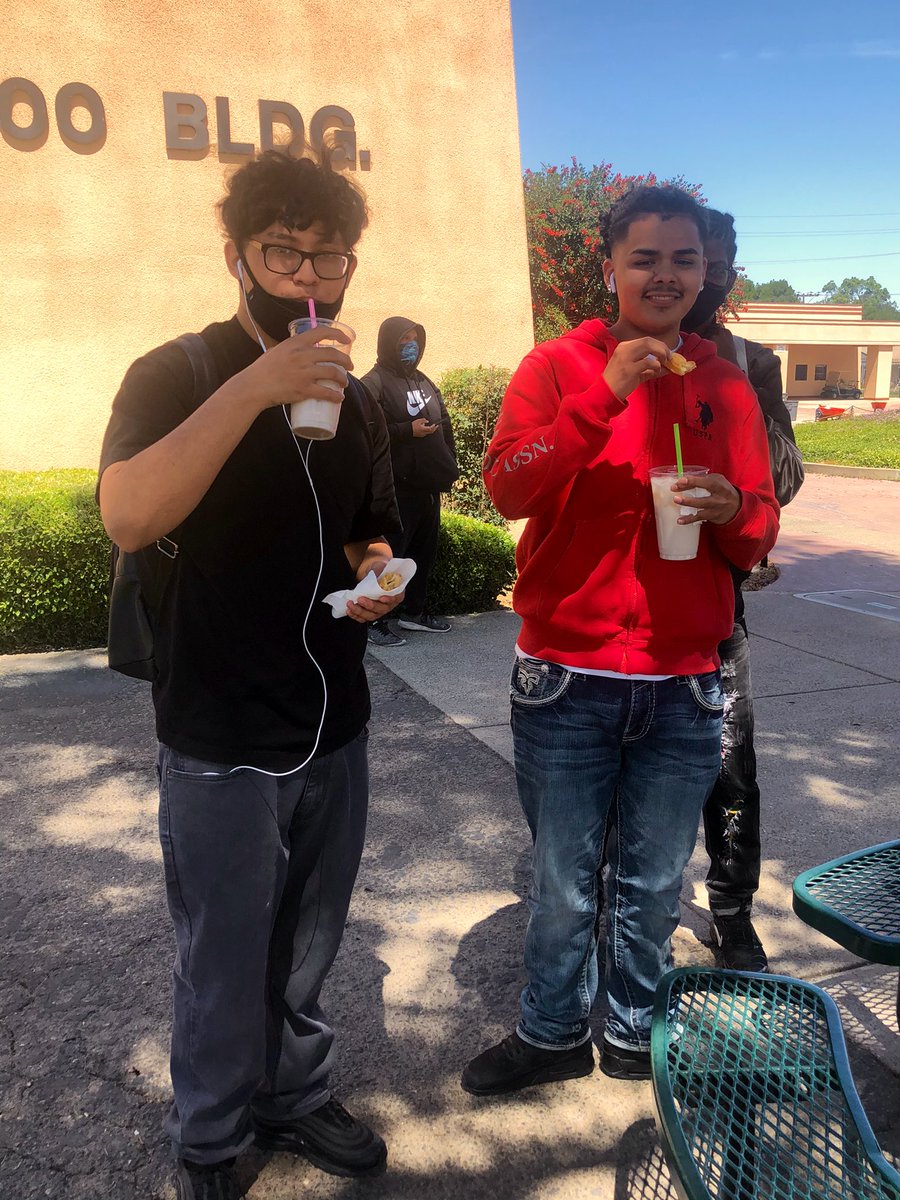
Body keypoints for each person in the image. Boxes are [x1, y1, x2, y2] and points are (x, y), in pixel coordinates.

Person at [98, 150, 402, 1200]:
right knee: (222, 956)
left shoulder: (355, 401)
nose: (309, 278)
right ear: (237, 255)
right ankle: (214, 1137)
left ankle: (296, 1093)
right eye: (285, 252)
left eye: (331, 256)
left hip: (337, 717)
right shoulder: (174, 372)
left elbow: (370, 528)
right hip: (221, 725)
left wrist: (380, 576)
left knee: (310, 946)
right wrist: (254, 387)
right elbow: (131, 515)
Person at [461, 185, 779, 1096]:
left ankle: (636, 1029)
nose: (667, 275)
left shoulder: (725, 383)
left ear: (704, 271)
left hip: (685, 680)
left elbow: (756, 534)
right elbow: (510, 488)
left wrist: (733, 509)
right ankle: (553, 1030)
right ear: (611, 268)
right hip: (566, 676)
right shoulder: (555, 366)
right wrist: (605, 393)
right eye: (645, 258)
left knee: (650, 881)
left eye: (685, 259)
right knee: (563, 881)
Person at [682, 209, 804, 971]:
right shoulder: (617, 352)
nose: (705, 278)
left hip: (717, 609)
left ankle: (732, 911)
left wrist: (737, 400)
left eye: (718, 264)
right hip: (629, 610)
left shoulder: (750, 361)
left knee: (730, 768)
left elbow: (784, 477)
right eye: (699, 261)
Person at [361, 317, 458, 647]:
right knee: (393, 556)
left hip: (427, 486)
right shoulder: (371, 384)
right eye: (403, 338)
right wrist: (407, 430)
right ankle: (374, 619)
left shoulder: (424, 381)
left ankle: (413, 613)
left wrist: (449, 466)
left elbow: (444, 424)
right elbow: (365, 434)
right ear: (389, 341)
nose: (410, 344)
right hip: (395, 488)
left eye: (415, 338)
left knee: (422, 555)